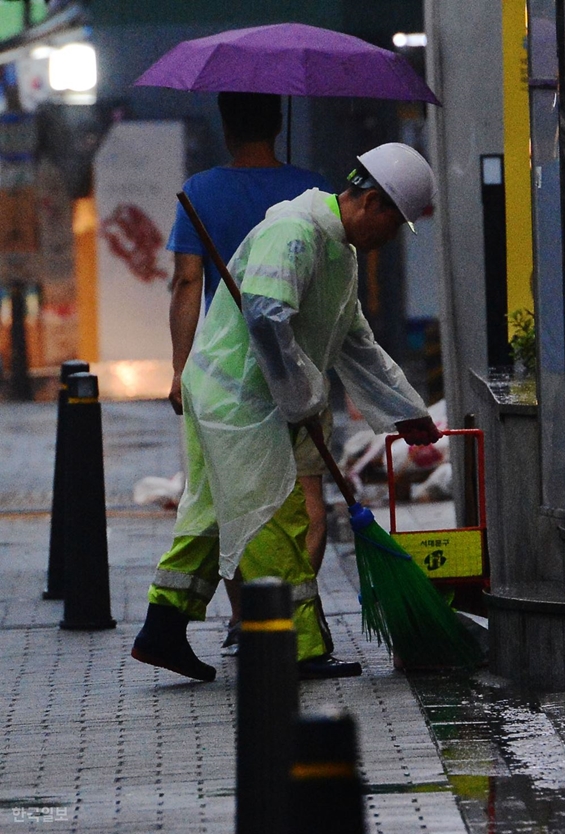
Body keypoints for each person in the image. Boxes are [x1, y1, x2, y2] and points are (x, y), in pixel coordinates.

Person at [132, 142, 442, 682]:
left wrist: (406, 412)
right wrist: (298, 396)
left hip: (242, 398)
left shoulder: (337, 252)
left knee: (209, 516)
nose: (390, 241)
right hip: (241, 401)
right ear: (372, 205)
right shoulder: (294, 231)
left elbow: (354, 342)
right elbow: (267, 316)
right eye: (394, 226)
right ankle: (297, 648)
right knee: (277, 515)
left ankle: (162, 628)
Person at [167, 92, 332, 650]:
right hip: (300, 366)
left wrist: (178, 370)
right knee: (308, 498)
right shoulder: (312, 192)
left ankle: (250, 618)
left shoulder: (200, 192)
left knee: (238, 499)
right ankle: (288, 615)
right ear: (280, 121)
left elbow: (188, 283)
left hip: (232, 374)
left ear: (226, 127)